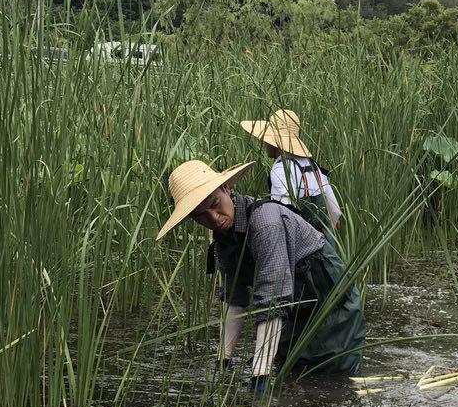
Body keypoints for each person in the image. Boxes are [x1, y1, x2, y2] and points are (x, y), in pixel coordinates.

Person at [156, 159, 365, 380]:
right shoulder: (224, 238)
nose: (214, 218)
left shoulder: (266, 223)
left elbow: (272, 299)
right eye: (201, 216)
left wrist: (260, 373)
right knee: (291, 375)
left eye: (215, 204)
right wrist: (223, 360)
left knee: (334, 380)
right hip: (294, 309)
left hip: (331, 302)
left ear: (226, 189)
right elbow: (235, 298)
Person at [239, 109, 341, 232]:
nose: (265, 143)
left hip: (301, 244)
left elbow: (285, 215)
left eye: (267, 139)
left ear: (275, 142)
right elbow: (334, 211)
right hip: (324, 242)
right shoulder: (314, 166)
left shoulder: (281, 170)